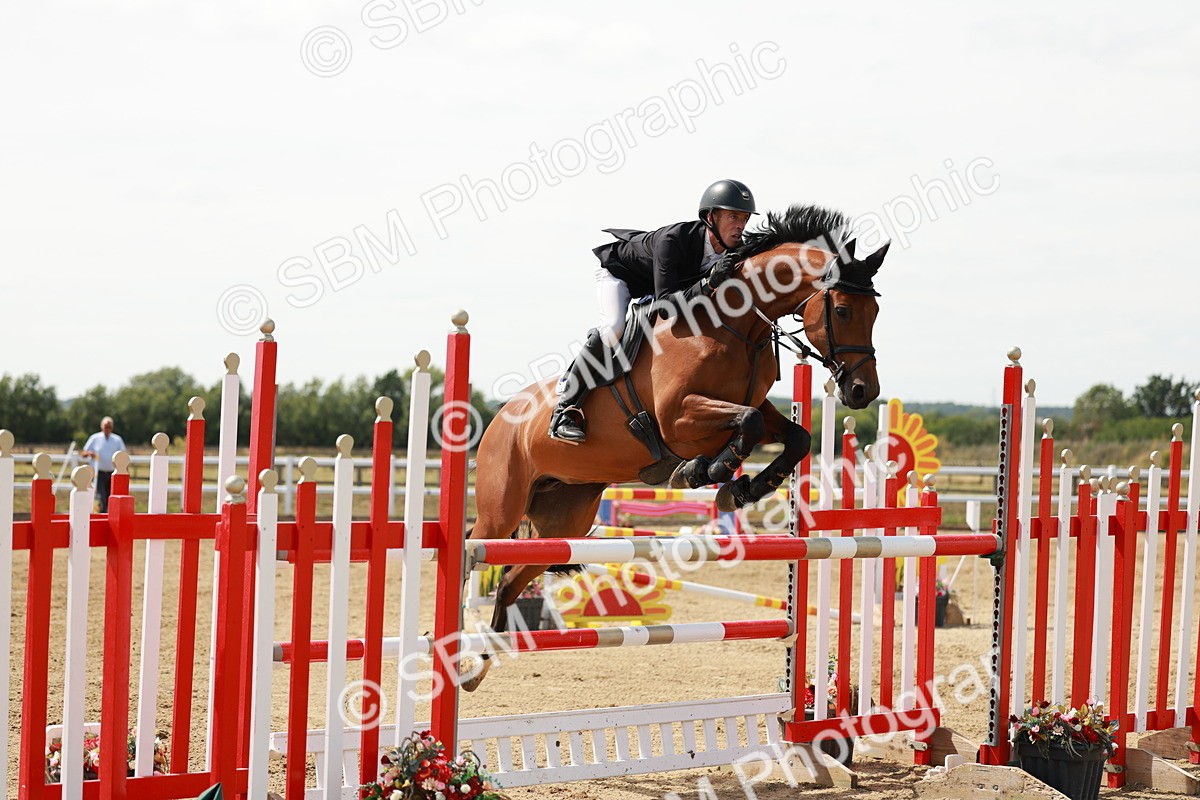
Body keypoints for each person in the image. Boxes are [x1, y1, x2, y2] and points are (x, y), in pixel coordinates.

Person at [549, 179, 757, 444]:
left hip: (658, 287)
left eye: (744, 218)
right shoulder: (674, 240)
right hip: (620, 275)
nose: (740, 225)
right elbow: (666, 305)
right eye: (733, 216)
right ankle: (564, 409)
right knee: (613, 328)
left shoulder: (734, 249)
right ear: (710, 216)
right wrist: (708, 284)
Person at [81, 416, 126, 512]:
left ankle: (107, 514)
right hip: (99, 473)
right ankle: (102, 514)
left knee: (111, 496)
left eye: (109, 427)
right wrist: (91, 453)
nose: (107, 429)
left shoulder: (117, 439)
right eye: (106, 427)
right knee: (101, 496)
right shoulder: (94, 438)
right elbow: (84, 453)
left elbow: (123, 455)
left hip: (113, 473)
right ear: (102, 427)